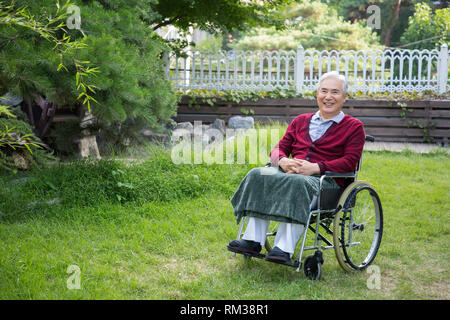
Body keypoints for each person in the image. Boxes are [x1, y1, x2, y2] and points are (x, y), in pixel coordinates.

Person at [227, 71, 366, 264]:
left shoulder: (353, 127)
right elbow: (278, 149)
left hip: (327, 183)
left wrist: (316, 167)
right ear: (317, 94)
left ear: (345, 97)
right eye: (324, 91)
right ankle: (252, 240)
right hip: (291, 173)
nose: (328, 97)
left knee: (298, 183)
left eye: (335, 92)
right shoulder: (300, 121)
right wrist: (283, 161)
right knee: (257, 174)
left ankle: (283, 248)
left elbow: (350, 161)